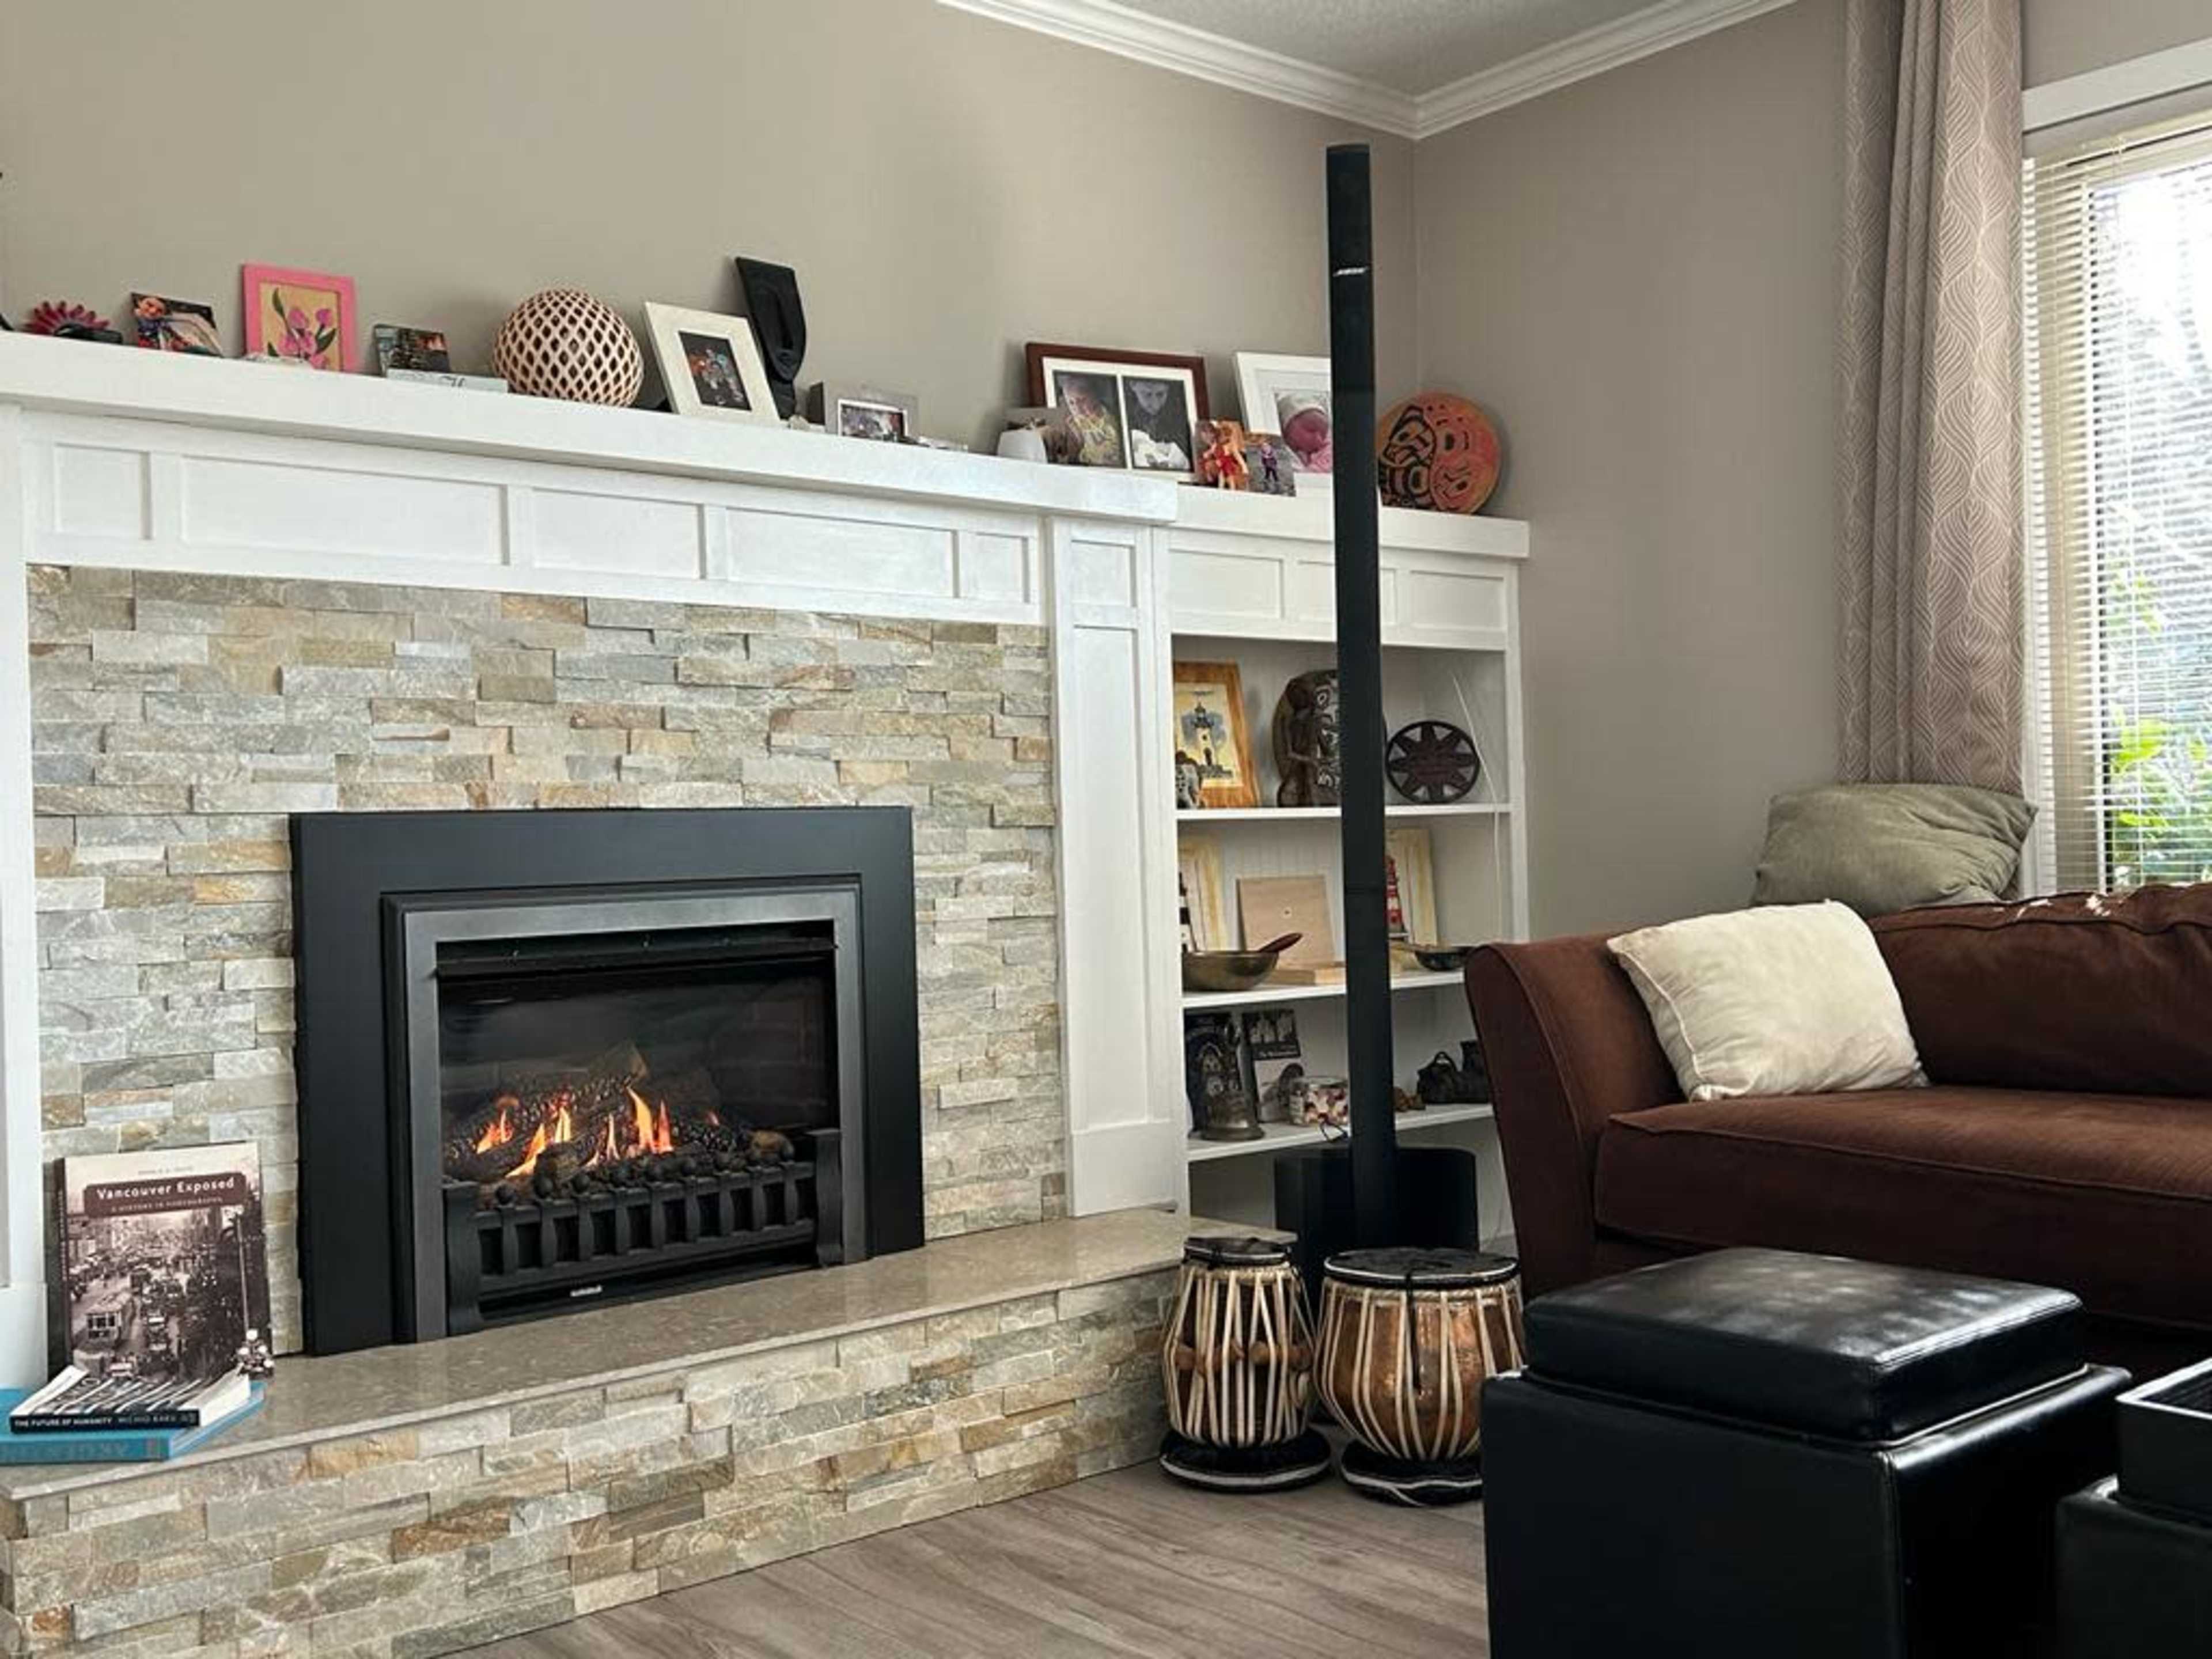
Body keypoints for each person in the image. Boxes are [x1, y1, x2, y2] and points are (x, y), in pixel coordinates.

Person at [1277, 392, 1334, 474]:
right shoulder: (1283, 449)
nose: (1319, 440)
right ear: (1289, 425)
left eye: (1323, 434)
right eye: (1312, 430)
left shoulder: (1324, 448)